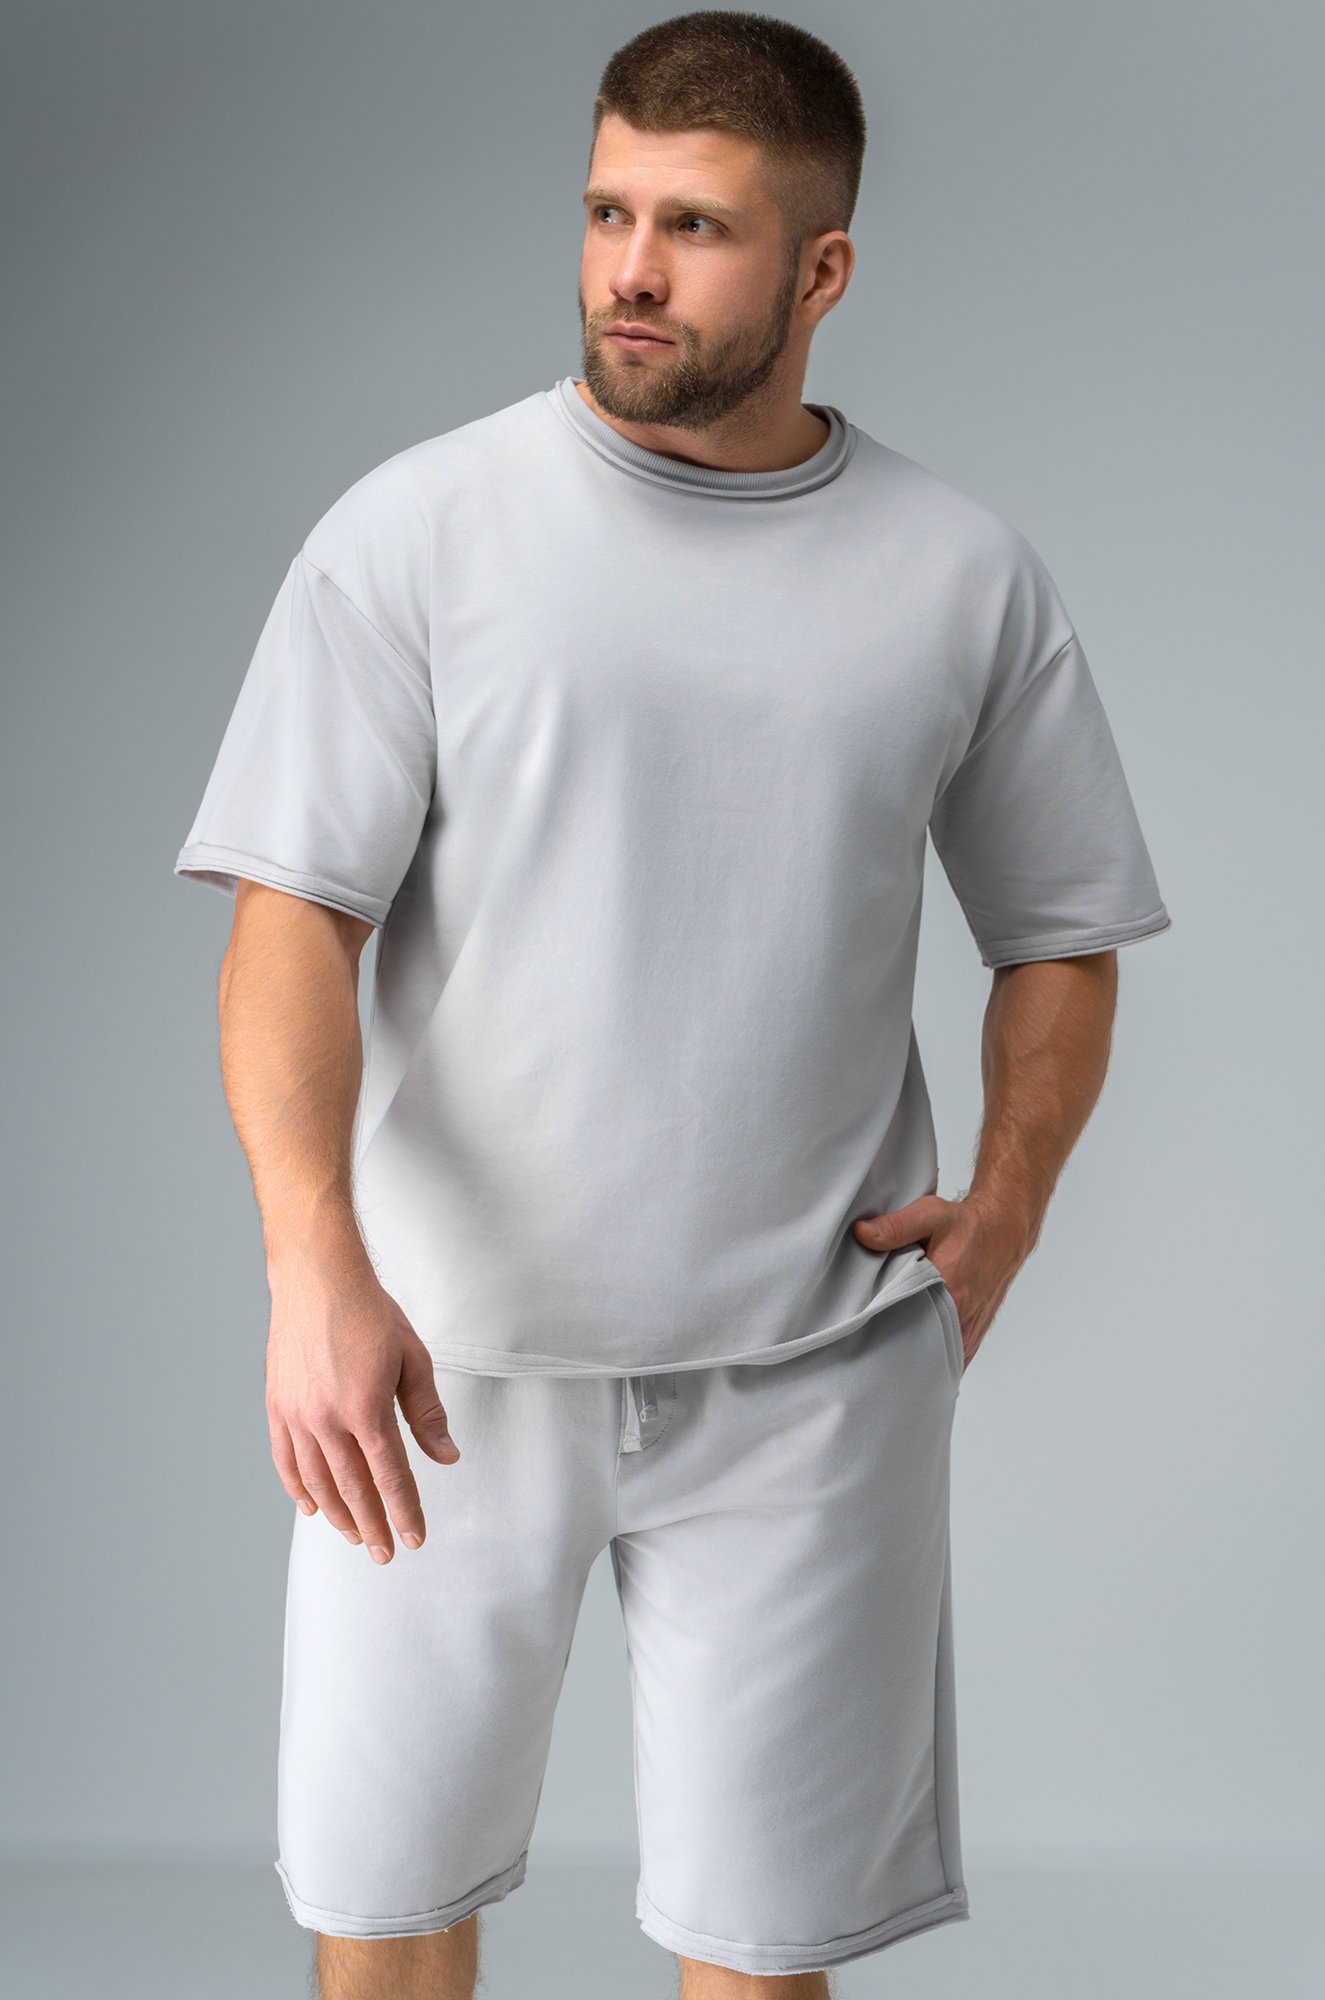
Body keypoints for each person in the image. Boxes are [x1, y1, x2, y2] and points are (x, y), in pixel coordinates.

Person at [173, 12, 1172, 1998]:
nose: (630, 269)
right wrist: (312, 1269)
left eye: (696, 227)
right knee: (384, 1924)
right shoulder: (418, 532)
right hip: (438, 1370)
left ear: (822, 268)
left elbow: (1062, 930)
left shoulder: (958, 575)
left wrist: (1009, 1204)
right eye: (608, 210)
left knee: (762, 1952)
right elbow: (293, 922)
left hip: (810, 1376)